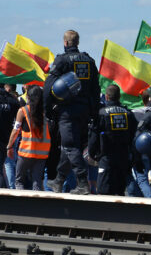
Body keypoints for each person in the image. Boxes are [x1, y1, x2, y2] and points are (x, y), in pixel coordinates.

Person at [45, 30, 101, 195]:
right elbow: (96, 89)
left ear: (65, 43)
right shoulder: (89, 61)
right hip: (85, 112)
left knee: (70, 146)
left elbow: (49, 86)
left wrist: (48, 110)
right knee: (70, 147)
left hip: (67, 112)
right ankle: (59, 180)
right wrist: (93, 112)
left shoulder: (61, 60)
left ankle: (82, 183)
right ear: (77, 42)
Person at [88, 84, 137, 196]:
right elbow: (134, 136)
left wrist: (92, 153)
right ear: (119, 96)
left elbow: (94, 135)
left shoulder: (101, 113)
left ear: (106, 97)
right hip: (123, 156)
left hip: (106, 157)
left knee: (103, 189)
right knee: (119, 190)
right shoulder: (128, 113)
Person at [6, 86, 49, 190]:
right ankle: (37, 205)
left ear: (28, 97)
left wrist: (9, 147)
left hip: (26, 152)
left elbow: (16, 130)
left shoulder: (23, 111)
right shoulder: (45, 112)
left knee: (19, 181)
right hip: (42, 153)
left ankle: (19, 205)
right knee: (37, 183)